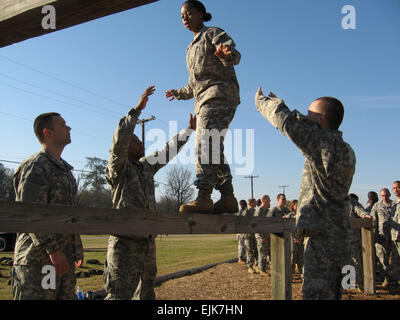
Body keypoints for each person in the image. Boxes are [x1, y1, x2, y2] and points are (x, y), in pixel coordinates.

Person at [255, 88, 356, 300]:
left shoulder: (322, 143)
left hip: (322, 240)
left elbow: (286, 121)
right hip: (338, 237)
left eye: (310, 114)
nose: (305, 117)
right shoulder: (346, 150)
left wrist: (262, 101)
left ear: (321, 119)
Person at [103, 86, 195, 300]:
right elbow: (119, 140)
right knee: (119, 296)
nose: (141, 143)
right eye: (136, 141)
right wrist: (136, 111)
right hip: (124, 245)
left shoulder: (145, 166)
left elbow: (166, 151)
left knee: (146, 295)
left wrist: (188, 131)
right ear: (126, 147)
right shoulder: (119, 169)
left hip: (146, 244)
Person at [165, 0, 241, 215]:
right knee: (214, 146)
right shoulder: (190, 49)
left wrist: (227, 55)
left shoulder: (213, 33)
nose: (185, 18)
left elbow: (233, 53)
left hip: (219, 94)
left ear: (201, 14)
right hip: (202, 100)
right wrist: (177, 93)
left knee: (206, 143)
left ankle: (204, 196)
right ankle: (227, 196)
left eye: (189, 13)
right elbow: (193, 85)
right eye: (182, 16)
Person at [11, 112, 84, 300]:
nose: (69, 128)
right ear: (47, 132)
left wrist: (75, 249)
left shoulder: (65, 170)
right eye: (63, 125)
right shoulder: (36, 166)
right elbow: (30, 212)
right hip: (39, 261)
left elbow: (70, 216)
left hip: (63, 262)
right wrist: (53, 250)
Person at [370, 188, 394, 287]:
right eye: (383, 195)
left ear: (389, 195)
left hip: (394, 236)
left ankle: (394, 277)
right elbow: (373, 221)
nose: (385, 197)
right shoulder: (377, 206)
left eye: (386, 195)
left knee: (395, 260)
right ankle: (385, 278)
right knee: (382, 259)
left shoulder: (395, 205)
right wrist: (374, 235)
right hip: (381, 236)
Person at [348, 193, 372, 290]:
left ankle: (361, 284)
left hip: (352, 239)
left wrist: (366, 215)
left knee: (356, 261)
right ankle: (347, 285)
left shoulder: (352, 202)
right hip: (337, 240)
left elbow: (360, 211)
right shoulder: (331, 202)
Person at [254, 194, 271, 276]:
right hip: (261, 236)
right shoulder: (259, 211)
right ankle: (262, 270)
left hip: (268, 235)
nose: (270, 201)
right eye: (269, 200)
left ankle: (265, 268)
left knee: (266, 252)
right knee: (262, 253)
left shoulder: (268, 211)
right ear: (264, 200)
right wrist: (261, 237)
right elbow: (256, 225)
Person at [287, 200, 304, 276]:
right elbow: (290, 229)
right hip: (293, 239)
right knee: (292, 257)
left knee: (301, 257)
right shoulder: (290, 215)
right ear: (293, 206)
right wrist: (295, 238)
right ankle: (291, 273)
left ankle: (301, 272)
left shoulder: (302, 215)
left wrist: (301, 238)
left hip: (301, 239)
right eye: (296, 205)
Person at [242, 198, 258, 274]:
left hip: (255, 235)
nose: (256, 204)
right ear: (251, 203)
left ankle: (255, 265)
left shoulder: (256, 211)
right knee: (249, 251)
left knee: (256, 251)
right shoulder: (246, 212)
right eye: (255, 202)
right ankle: (250, 267)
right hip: (248, 235)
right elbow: (244, 223)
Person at [390, 181, 400, 284]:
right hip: (395, 237)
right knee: (395, 261)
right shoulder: (393, 204)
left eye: (397, 188)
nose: (395, 190)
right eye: (394, 188)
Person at [236, 200, 247, 265]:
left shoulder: (244, 211)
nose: (245, 205)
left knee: (244, 246)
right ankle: (240, 258)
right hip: (240, 232)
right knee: (241, 245)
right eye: (244, 204)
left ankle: (242, 257)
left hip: (243, 231)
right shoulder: (240, 212)